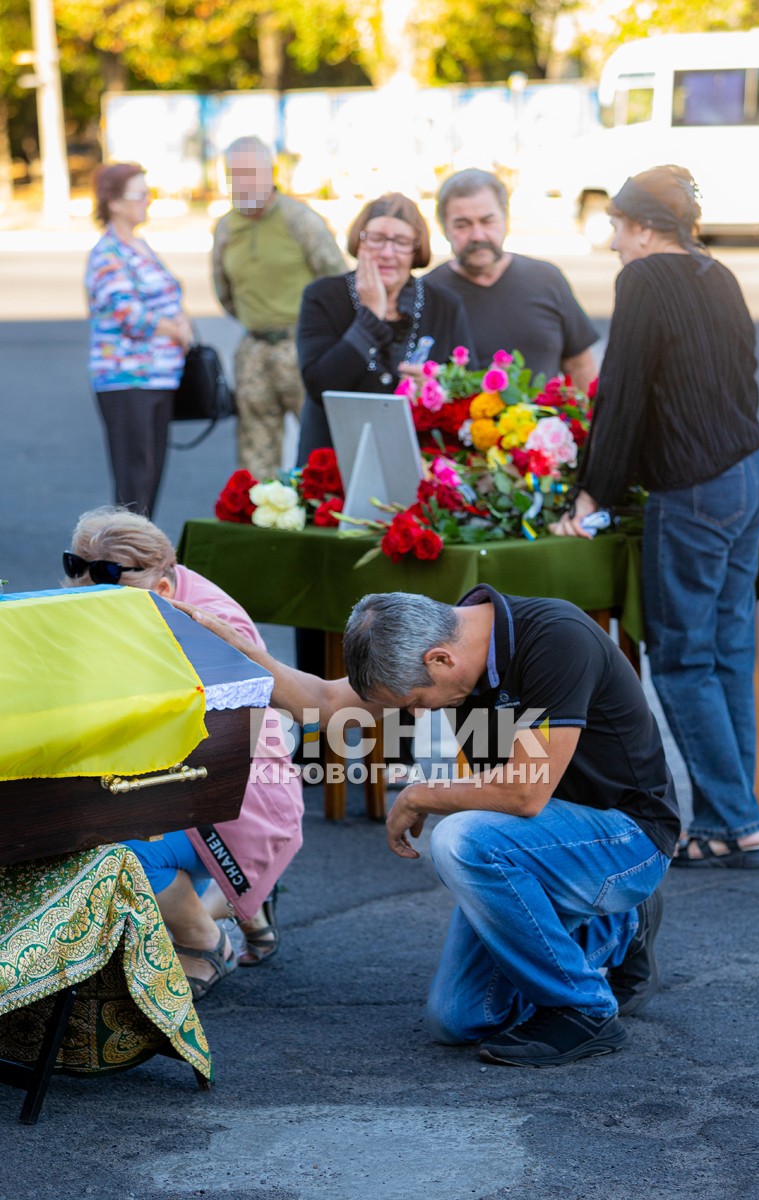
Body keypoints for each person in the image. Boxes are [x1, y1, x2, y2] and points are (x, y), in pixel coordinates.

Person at [177, 587, 679, 1068]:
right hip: (536, 847)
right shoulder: (438, 641)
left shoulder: (556, 638)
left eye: (416, 701)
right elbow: (325, 703)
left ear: (440, 659)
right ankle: (618, 926)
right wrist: (237, 647)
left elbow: (526, 793)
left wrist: (419, 793)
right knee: (459, 1019)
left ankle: (586, 1010)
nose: (418, 716)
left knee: (463, 839)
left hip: (627, 839)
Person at [550, 165, 759, 870]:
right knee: (728, 655)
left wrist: (591, 495)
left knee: (680, 663)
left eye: (618, 226)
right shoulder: (717, 273)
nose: (614, 241)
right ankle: (736, 818)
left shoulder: (644, 280)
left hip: (697, 488)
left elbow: (620, 399)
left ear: (645, 227)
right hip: (751, 477)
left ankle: (733, 820)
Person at [64, 506, 304, 998]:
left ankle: (206, 943)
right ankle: (245, 905)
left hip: (240, 795)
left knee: (115, 850)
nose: (84, 589)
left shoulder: (212, 627)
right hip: (205, 779)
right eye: (75, 567)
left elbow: (238, 742)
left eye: (106, 585)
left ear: (164, 589)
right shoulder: (158, 589)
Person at [295, 191, 476, 464]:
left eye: (402, 242)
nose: (387, 253)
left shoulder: (444, 304)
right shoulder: (323, 296)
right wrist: (371, 315)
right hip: (334, 458)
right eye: (376, 239)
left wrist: (437, 386)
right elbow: (321, 385)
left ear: (416, 249)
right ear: (359, 241)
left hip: (418, 459)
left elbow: (469, 387)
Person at [212, 136, 346, 479]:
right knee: (255, 458)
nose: (243, 182)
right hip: (254, 349)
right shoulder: (227, 228)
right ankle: (261, 520)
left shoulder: (299, 220)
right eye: (235, 174)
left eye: (251, 173)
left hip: (303, 347)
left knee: (323, 451)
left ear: (270, 173)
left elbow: (337, 281)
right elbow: (224, 290)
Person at [85, 162, 193, 517]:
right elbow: (129, 315)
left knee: (149, 480)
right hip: (127, 381)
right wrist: (177, 329)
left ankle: (139, 561)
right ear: (114, 202)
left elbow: (167, 297)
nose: (147, 201)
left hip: (159, 378)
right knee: (134, 483)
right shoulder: (108, 254)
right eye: (140, 194)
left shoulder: (139, 246)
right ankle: (126, 565)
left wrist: (181, 319)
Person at [426, 168, 598, 388]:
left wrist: (588, 419)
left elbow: (580, 365)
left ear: (506, 219)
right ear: (443, 229)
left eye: (487, 221)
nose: (478, 235)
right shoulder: (429, 293)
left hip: (549, 422)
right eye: (462, 225)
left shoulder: (547, 279)